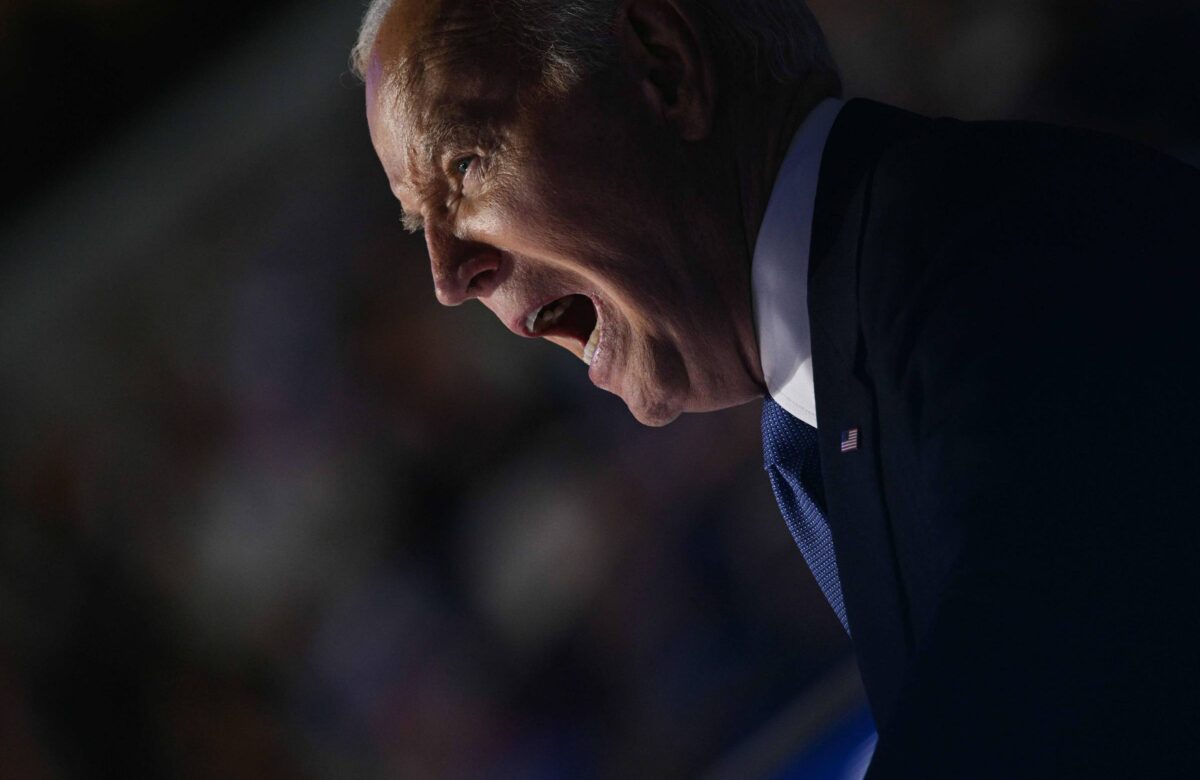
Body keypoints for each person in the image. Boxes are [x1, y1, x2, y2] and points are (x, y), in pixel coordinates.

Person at [354, 0, 1200, 775]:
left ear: (664, 69)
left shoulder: (985, 250)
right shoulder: (830, 382)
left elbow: (1053, 701)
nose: (447, 276)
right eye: (414, 219)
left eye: (464, 165)